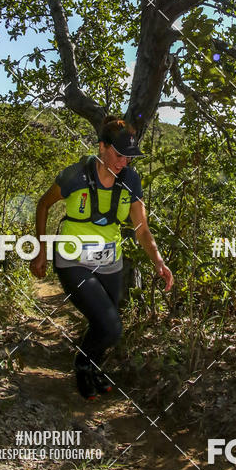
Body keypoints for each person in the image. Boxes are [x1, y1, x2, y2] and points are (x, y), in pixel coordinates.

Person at [30, 116, 174, 400]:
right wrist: (40, 248)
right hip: (73, 258)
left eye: (129, 158)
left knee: (107, 326)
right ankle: (82, 365)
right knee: (110, 324)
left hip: (110, 260)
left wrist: (158, 260)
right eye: (119, 155)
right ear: (102, 147)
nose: (124, 163)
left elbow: (141, 228)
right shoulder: (76, 175)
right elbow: (44, 204)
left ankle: (92, 364)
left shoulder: (131, 180)